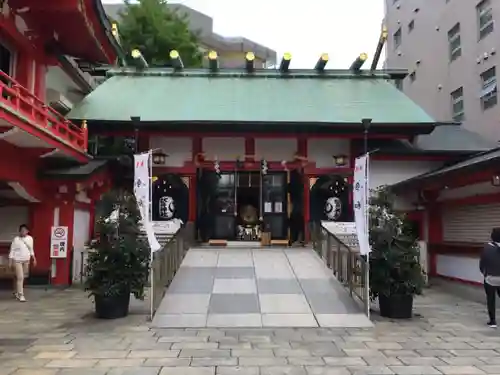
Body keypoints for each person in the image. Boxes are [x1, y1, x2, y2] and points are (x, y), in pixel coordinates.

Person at [8, 224, 36, 302]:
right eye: (22, 230)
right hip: (17, 261)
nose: (23, 232)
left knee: (22, 277)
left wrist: (34, 258)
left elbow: (31, 249)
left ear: (28, 231)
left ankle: (16, 291)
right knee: (20, 277)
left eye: (25, 230)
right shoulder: (16, 239)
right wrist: (10, 261)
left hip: (26, 260)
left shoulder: (30, 238)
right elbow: (12, 250)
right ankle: (21, 295)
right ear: (19, 231)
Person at [479, 227, 500, 328]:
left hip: (490, 278)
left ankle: (493, 321)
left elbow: (482, 263)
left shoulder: (487, 247)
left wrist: (484, 272)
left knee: (491, 299)